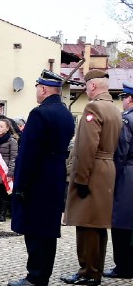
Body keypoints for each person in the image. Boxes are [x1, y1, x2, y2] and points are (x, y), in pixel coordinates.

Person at [8, 70, 75, 286]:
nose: (36, 91)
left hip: (37, 178)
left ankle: (35, 277)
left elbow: (28, 153)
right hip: (55, 175)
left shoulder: (39, 114)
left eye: (38, 87)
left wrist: (21, 184)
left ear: (43, 89)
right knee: (48, 229)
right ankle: (43, 274)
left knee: (35, 228)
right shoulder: (65, 113)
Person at [61, 69, 121, 286]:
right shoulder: (114, 109)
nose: (86, 90)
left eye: (86, 86)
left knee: (87, 225)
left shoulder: (93, 107)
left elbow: (87, 147)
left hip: (92, 170)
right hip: (107, 169)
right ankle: (90, 270)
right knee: (96, 225)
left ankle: (89, 272)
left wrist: (81, 178)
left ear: (92, 86)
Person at [104, 81, 133, 279]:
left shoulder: (126, 121)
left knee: (121, 222)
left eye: (124, 98)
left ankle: (123, 267)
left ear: (130, 99)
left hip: (127, 175)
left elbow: (121, 151)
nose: (122, 101)